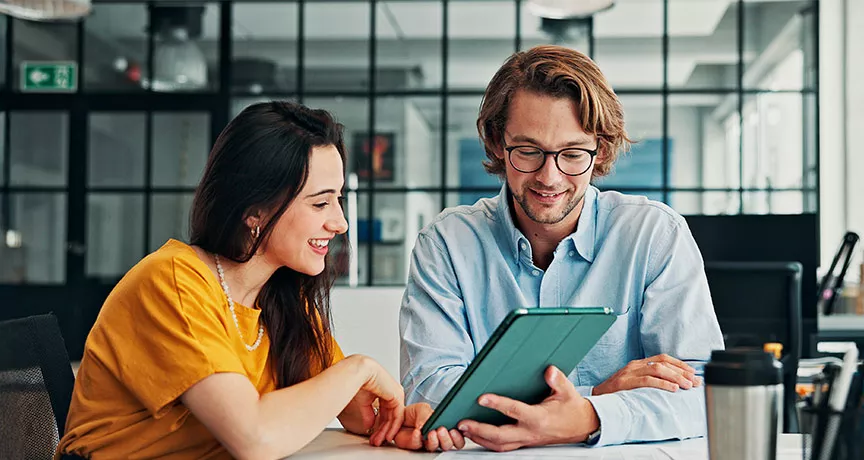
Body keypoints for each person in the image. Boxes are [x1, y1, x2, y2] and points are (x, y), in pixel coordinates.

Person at [57, 101, 463, 459]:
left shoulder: (281, 296)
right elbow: (253, 438)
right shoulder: (174, 282)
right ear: (255, 211)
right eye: (321, 202)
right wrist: (359, 368)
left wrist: (400, 423)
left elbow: (357, 413)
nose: (339, 223)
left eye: (338, 200)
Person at [400, 45, 725, 451]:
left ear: (600, 149)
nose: (549, 177)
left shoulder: (654, 235)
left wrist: (586, 415)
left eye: (572, 154)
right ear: (497, 142)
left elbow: (705, 392)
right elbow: (429, 391)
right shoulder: (446, 245)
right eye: (528, 151)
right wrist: (597, 397)